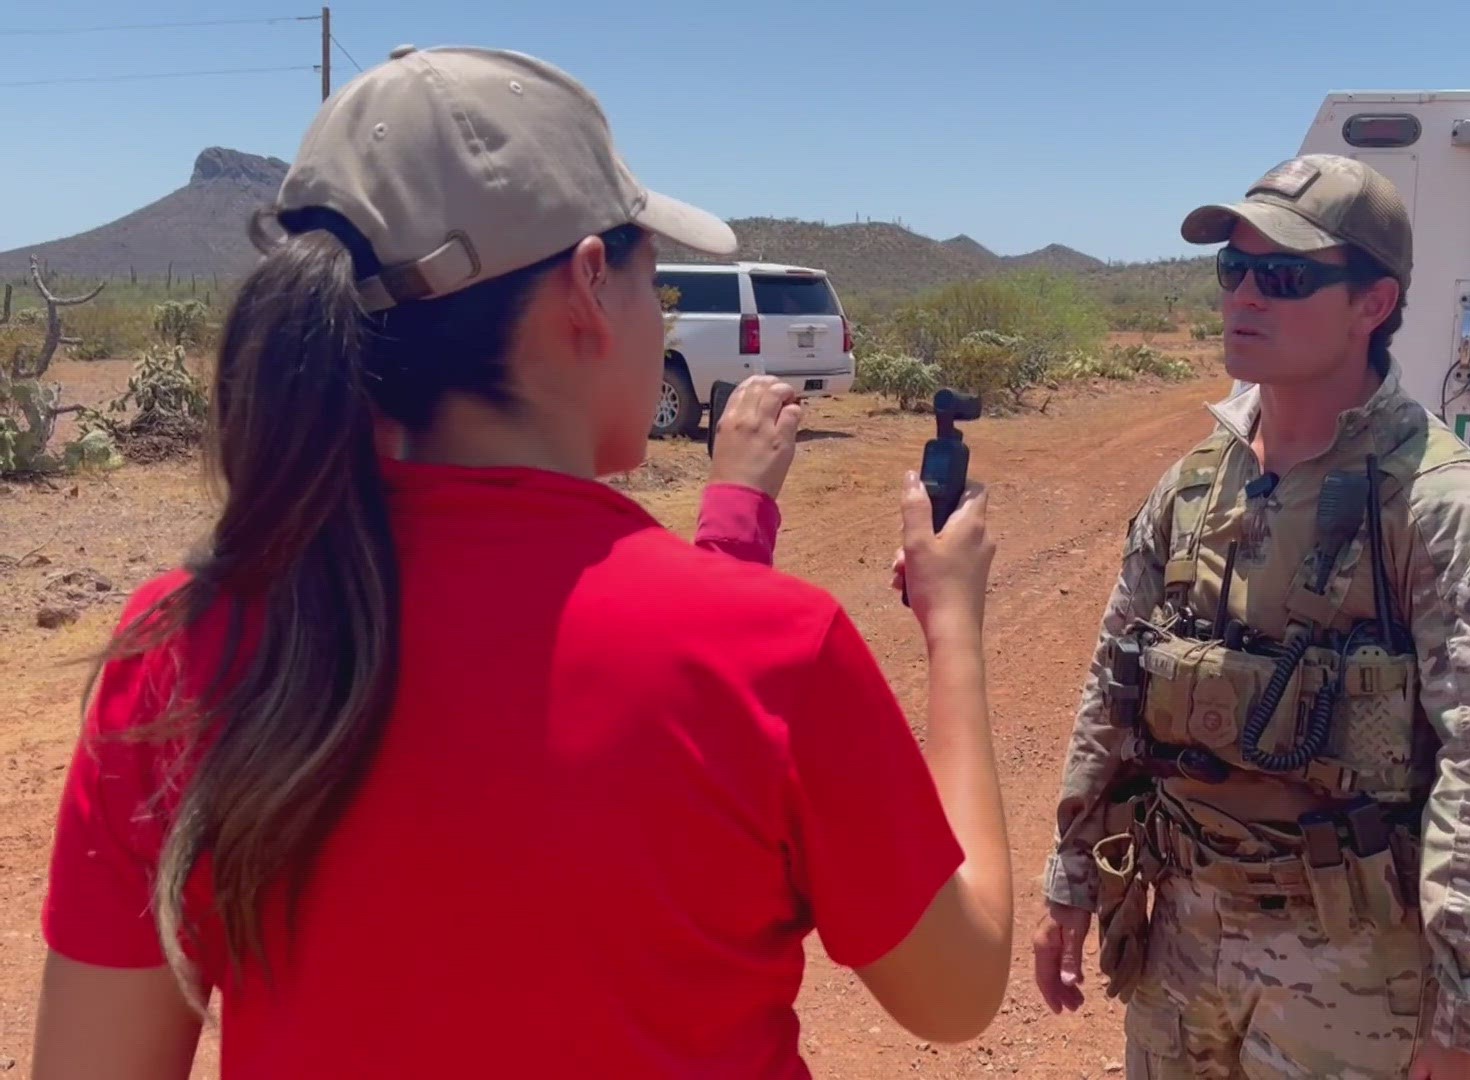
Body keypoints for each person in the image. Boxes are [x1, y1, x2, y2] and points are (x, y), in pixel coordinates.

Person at [32, 44, 1012, 1080]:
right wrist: (954, 633)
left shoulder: (181, 651)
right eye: (654, 286)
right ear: (589, 286)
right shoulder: (772, 648)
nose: (659, 319)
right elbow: (957, 987)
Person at [1030, 154, 1470, 1079]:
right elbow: (1113, 691)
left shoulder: (1444, 510)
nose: (1245, 296)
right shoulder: (1193, 488)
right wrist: (1073, 877)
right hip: (1179, 949)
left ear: (1373, 305)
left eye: (1285, 277)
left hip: (1353, 980)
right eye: (1233, 270)